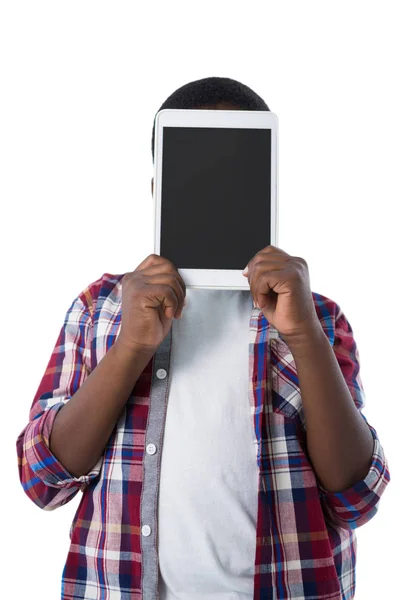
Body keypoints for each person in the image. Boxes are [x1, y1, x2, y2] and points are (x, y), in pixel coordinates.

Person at [16, 76, 390, 600]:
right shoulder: (100, 308)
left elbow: (357, 499)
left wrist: (304, 337)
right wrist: (131, 347)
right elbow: (42, 479)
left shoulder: (315, 317)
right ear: (159, 189)